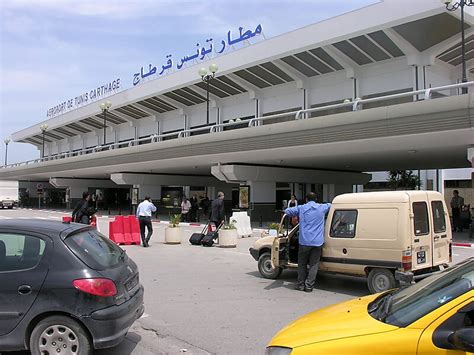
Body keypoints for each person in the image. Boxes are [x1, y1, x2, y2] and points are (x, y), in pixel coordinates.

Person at [284, 192, 331, 292]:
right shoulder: (322, 208)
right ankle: (309, 286)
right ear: (316, 199)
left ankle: (300, 285)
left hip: (304, 242)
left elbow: (287, 211)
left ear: (306, 199)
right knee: (314, 264)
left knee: (302, 263)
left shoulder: (301, 208)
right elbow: (332, 205)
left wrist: (295, 213)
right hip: (317, 242)